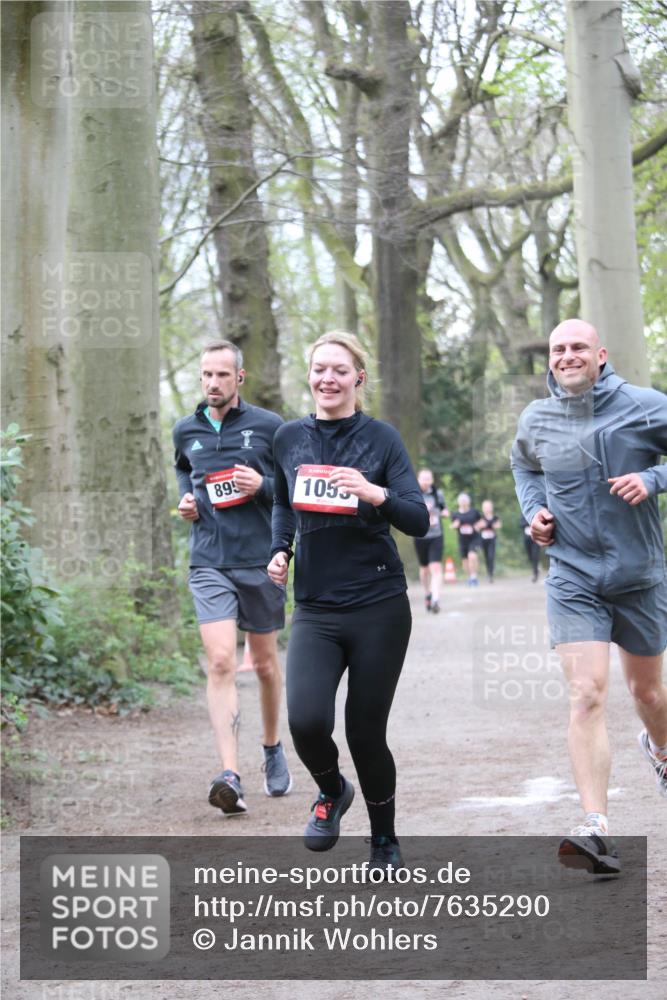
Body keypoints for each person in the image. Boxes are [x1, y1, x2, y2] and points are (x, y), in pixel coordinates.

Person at [267, 331, 429, 875]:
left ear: (358, 377)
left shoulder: (382, 439)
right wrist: (279, 551)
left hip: (379, 604)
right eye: (319, 369)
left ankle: (384, 841)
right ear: (309, 375)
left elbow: (418, 517)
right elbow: (281, 504)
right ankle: (333, 791)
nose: (327, 379)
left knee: (364, 731)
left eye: (339, 370)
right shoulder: (289, 438)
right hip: (315, 606)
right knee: (306, 721)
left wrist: (374, 493)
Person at [511, 317, 667, 875]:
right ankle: (597, 827)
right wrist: (535, 514)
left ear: (601, 355)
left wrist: (653, 480)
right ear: (549, 359)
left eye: (579, 346)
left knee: (647, 694)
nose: (567, 355)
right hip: (573, 575)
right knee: (587, 693)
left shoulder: (645, 406)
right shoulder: (538, 418)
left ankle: (661, 752)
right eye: (558, 349)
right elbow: (523, 466)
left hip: (639, 573)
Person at [173, 340, 291, 816]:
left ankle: (271, 746)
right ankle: (230, 775)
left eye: (222, 375)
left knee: (263, 664)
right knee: (221, 661)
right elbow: (185, 474)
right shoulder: (185, 429)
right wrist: (187, 503)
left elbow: (290, 491)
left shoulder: (270, 427)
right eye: (206, 375)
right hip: (208, 561)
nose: (213, 383)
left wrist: (261, 486)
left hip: (260, 561)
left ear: (239, 378)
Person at [414, 468, 449, 612]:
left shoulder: (437, 494)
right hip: (420, 535)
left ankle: (435, 599)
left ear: (432, 480)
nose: (426, 481)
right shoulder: (414, 494)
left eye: (429, 478)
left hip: (436, 535)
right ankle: (427, 593)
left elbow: (444, 509)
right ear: (418, 479)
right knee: (424, 570)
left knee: (435, 567)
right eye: (423, 478)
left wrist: (445, 512)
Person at [450, 493, 482, 586]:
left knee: (472, 556)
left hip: (474, 538)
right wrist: (454, 525)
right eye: (461, 501)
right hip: (463, 540)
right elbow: (453, 525)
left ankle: (474, 577)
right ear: (459, 503)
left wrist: (478, 526)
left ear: (468, 502)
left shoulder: (474, 512)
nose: (463, 503)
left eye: (465, 501)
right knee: (465, 563)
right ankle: (470, 576)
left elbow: (481, 521)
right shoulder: (455, 514)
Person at [476, 499, 501, 583]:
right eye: (485, 507)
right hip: (483, 540)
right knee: (486, 557)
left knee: (491, 556)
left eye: (488, 507)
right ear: (483, 508)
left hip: (492, 540)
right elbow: (476, 527)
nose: (487, 509)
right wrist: (480, 525)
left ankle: (490, 574)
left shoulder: (495, 517)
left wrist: (493, 525)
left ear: (491, 508)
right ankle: (488, 573)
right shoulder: (481, 518)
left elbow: (498, 525)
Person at [519, 513, 541, 582]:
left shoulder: (538, 513)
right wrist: (530, 523)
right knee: (530, 555)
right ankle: (535, 567)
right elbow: (521, 524)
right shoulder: (523, 513)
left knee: (535, 555)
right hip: (527, 538)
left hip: (536, 537)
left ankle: (535, 573)